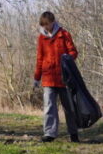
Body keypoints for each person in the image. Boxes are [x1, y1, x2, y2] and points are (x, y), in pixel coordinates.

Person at [34, 11, 80, 143]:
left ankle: (73, 133)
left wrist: (68, 58)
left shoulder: (64, 34)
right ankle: (49, 133)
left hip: (64, 78)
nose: (46, 27)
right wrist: (37, 77)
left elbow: (73, 52)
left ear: (53, 22)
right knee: (49, 106)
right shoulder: (41, 38)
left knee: (69, 107)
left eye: (47, 24)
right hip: (48, 78)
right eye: (43, 25)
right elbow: (39, 58)